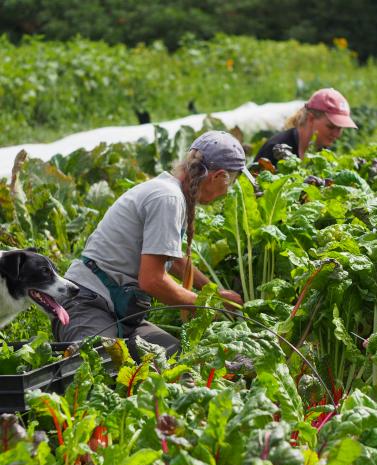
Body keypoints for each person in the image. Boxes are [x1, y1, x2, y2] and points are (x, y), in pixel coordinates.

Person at [53, 131, 255, 358]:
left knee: (175, 360)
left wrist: (214, 291)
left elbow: (172, 258)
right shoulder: (168, 198)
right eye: (232, 181)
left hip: (121, 313)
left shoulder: (173, 192)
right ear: (218, 176)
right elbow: (152, 280)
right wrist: (208, 304)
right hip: (88, 305)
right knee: (99, 366)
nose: (227, 192)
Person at [253, 88, 357, 167]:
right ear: (311, 119)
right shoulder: (274, 149)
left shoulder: (324, 153)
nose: (337, 135)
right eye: (331, 127)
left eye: (340, 128)